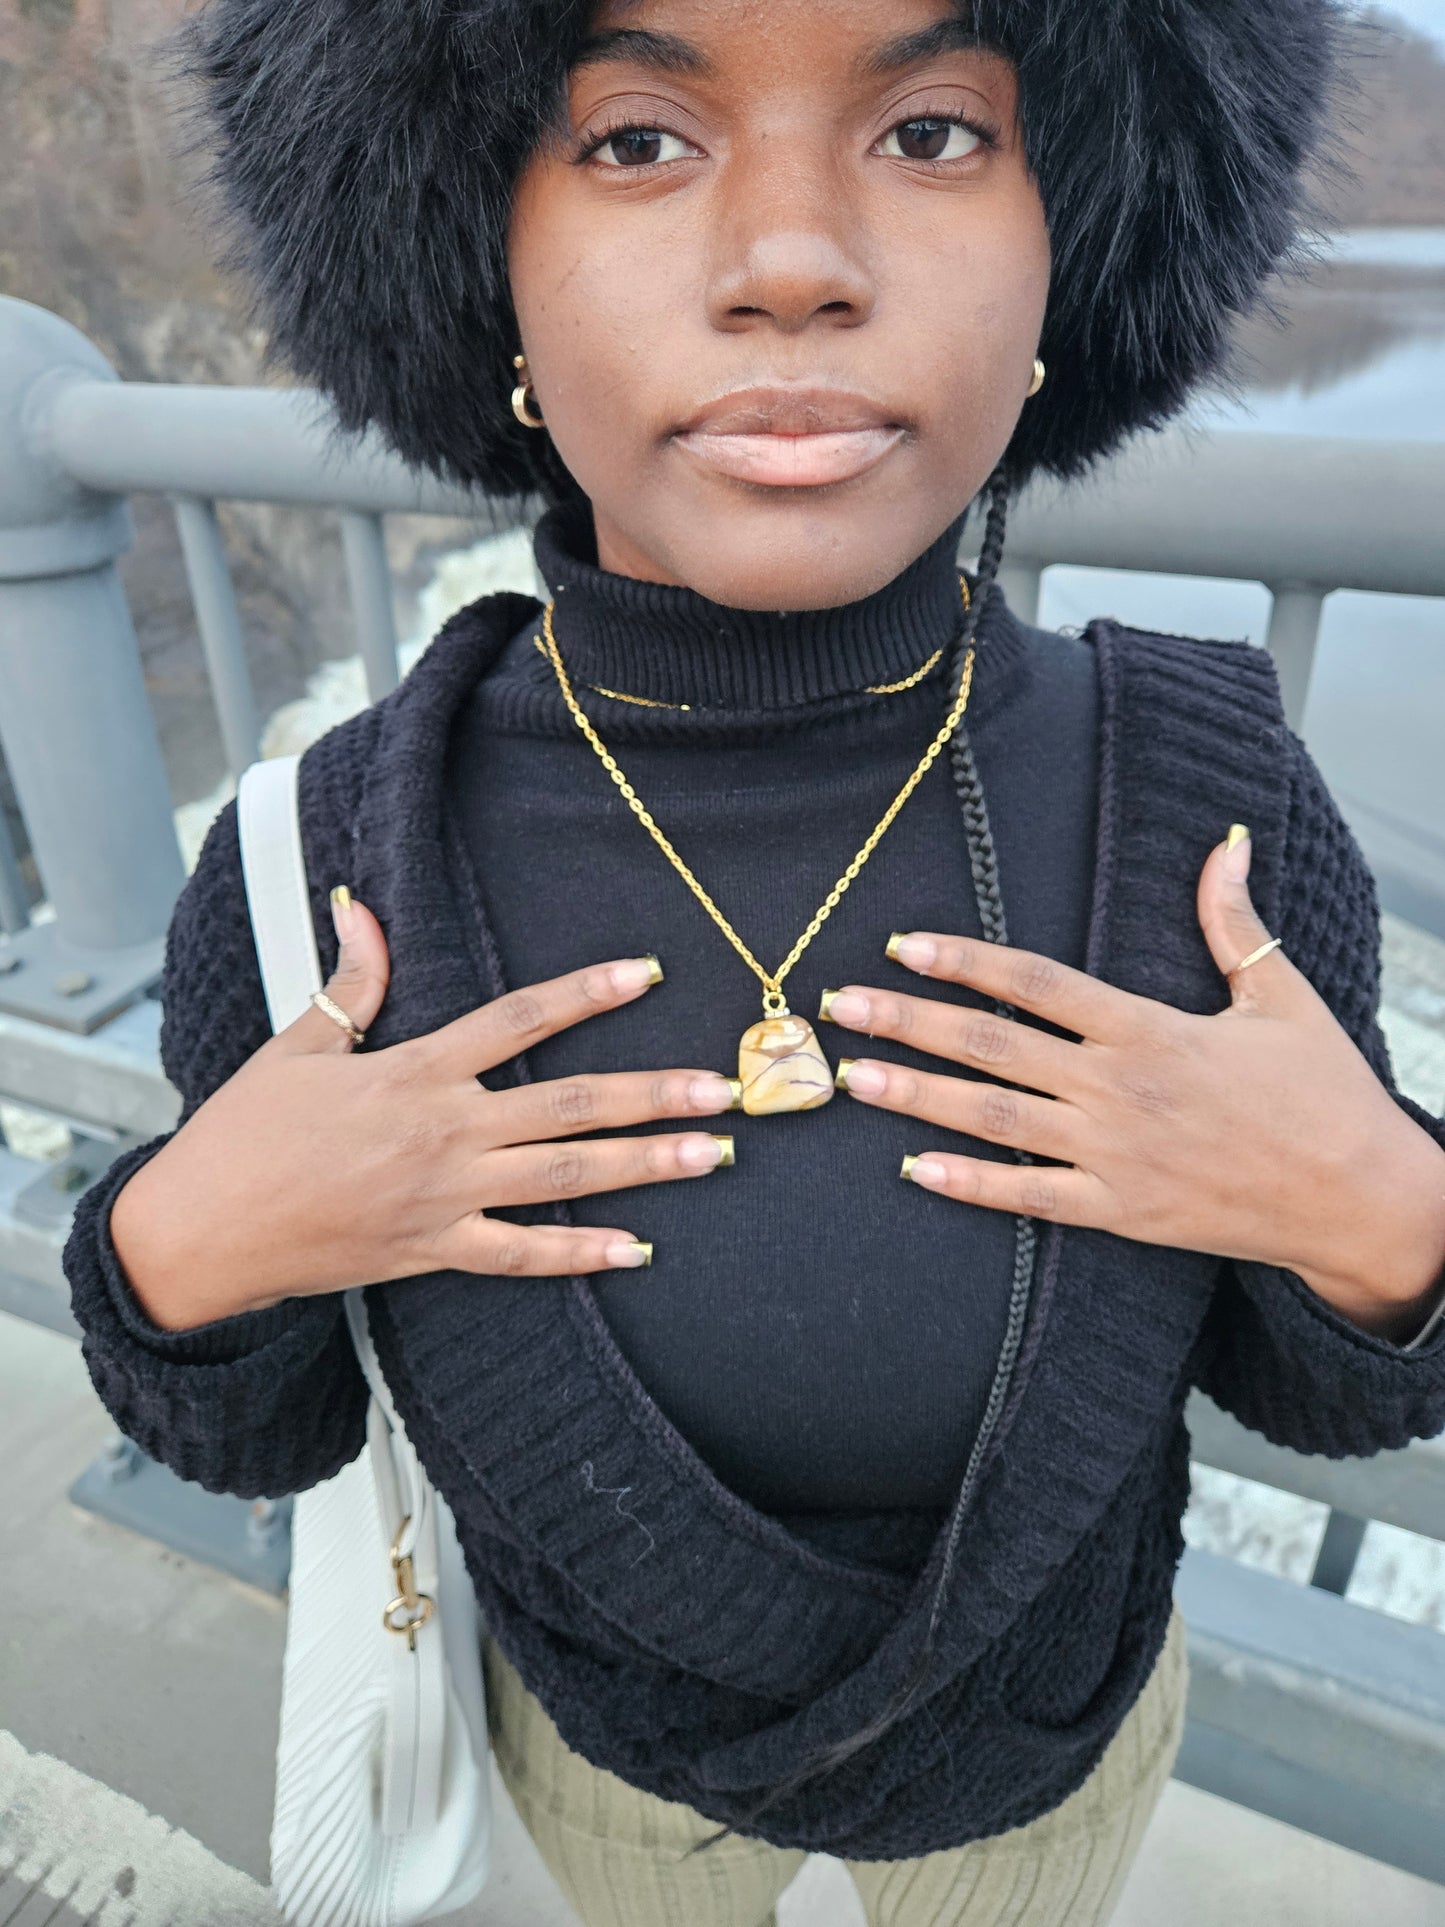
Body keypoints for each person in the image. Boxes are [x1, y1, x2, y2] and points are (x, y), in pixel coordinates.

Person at [63, 0, 1445, 1921]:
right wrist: (185, 1247)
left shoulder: (1204, 819)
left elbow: (1337, 1392)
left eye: (936, 132)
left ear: (1081, 244)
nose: (792, 259)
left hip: (1046, 1757)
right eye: (636, 139)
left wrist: (1382, 1214)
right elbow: (253, 1420)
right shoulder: (327, 865)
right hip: (600, 1762)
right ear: (480, 264)